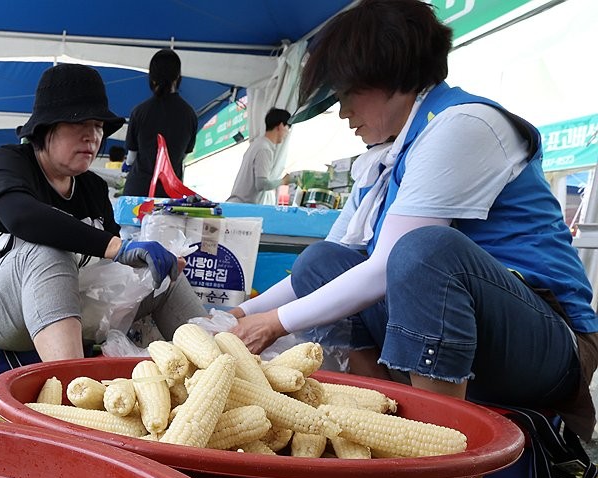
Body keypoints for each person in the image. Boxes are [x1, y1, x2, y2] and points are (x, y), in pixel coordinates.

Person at [230, 0, 598, 439]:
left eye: (347, 94)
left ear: (390, 76)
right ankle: (378, 421)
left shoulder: (463, 124)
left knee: (424, 252)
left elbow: (389, 263)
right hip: (474, 328)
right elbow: (331, 262)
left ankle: (437, 442)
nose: (343, 113)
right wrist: (243, 313)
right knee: (319, 262)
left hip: (549, 341)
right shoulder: (386, 157)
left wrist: (273, 323)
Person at [0, 63, 205, 361]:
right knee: (48, 251)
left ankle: (223, 371)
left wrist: (145, 264)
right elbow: (21, 217)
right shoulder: (7, 163)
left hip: (65, 301)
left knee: (163, 276)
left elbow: (111, 269)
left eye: (99, 126)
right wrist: (118, 247)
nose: (92, 136)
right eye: (80, 124)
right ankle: (74, 390)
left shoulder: (93, 188)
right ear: (46, 127)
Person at [122, 49, 199, 198]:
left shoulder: (140, 111)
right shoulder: (189, 114)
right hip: (170, 195)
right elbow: (184, 154)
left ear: (152, 77)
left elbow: (131, 158)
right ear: (178, 76)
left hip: (138, 192)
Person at [226, 107, 292, 204]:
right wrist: (283, 181)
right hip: (243, 207)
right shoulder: (264, 149)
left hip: (237, 203)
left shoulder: (257, 144)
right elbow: (261, 184)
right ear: (281, 125)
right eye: (288, 127)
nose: (287, 133)